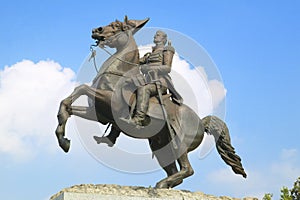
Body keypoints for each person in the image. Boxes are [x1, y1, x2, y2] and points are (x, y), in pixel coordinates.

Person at [122, 30, 182, 126]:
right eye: (155, 34)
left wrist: (147, 68)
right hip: (148, 80)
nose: (155, 36)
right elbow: (136, 62)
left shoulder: (167, 49)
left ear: (163, 39)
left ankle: (139, 118)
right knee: (127, 86)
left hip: (160, 82)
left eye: (158, 35)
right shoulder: (149, 55)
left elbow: (167, 68)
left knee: (144, 89)